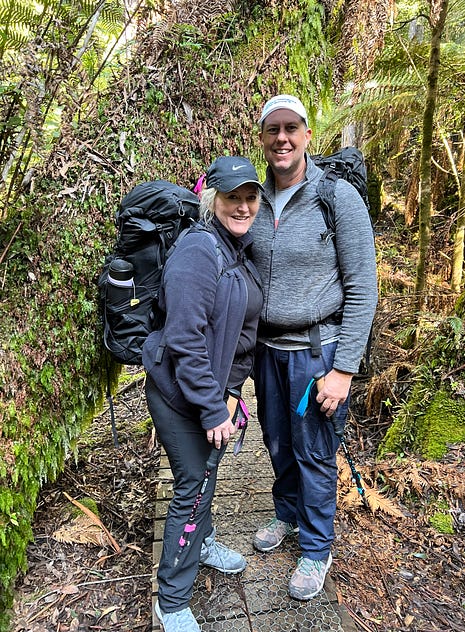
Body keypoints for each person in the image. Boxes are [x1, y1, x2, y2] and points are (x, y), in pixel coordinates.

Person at [250, 94, 378, 601]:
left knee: (315, 451)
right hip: (267, 351)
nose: (282, 137)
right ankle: (287, 514)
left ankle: (316, 547)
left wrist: (344, 368)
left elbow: (363, 285)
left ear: (306, 135)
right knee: (277, 443)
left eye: (292, 128)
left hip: (317, 351)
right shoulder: (252, 198)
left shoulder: (336, 197)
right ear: (262, 138)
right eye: (272, 129)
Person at [142, 156, 264, 632]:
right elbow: (185, 341)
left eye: (250, 196)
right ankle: (170, 601)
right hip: (177, 395)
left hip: (212, 393)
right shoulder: (198, 250)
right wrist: (215, 409)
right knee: (192, 486)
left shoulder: (240, 250)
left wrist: (231, 393)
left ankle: (204, 540)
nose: (243, 206)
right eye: (233, 197)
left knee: (208, 474)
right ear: (212, 199)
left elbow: (242, 337)